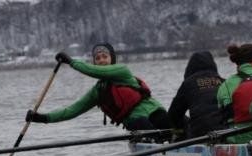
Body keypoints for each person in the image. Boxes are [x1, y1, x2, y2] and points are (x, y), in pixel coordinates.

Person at [26, 43, 171, 131]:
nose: (101, 60)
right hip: (138, 125)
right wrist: (42, 118)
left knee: (176, 120)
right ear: (94, 62)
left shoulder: (122, 71)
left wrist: (71, 62)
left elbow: (92, 71)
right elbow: (72, 111)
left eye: (105, 56)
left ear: (112, 59)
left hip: (155, 113)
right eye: (97, 58)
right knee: (140, 123)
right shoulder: (97, 92)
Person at [167, 51, 226, 139]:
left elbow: (173, 114)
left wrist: (180, 132)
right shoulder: (224, 82)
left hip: (201, 133)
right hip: (227, 131)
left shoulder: (188, 84)